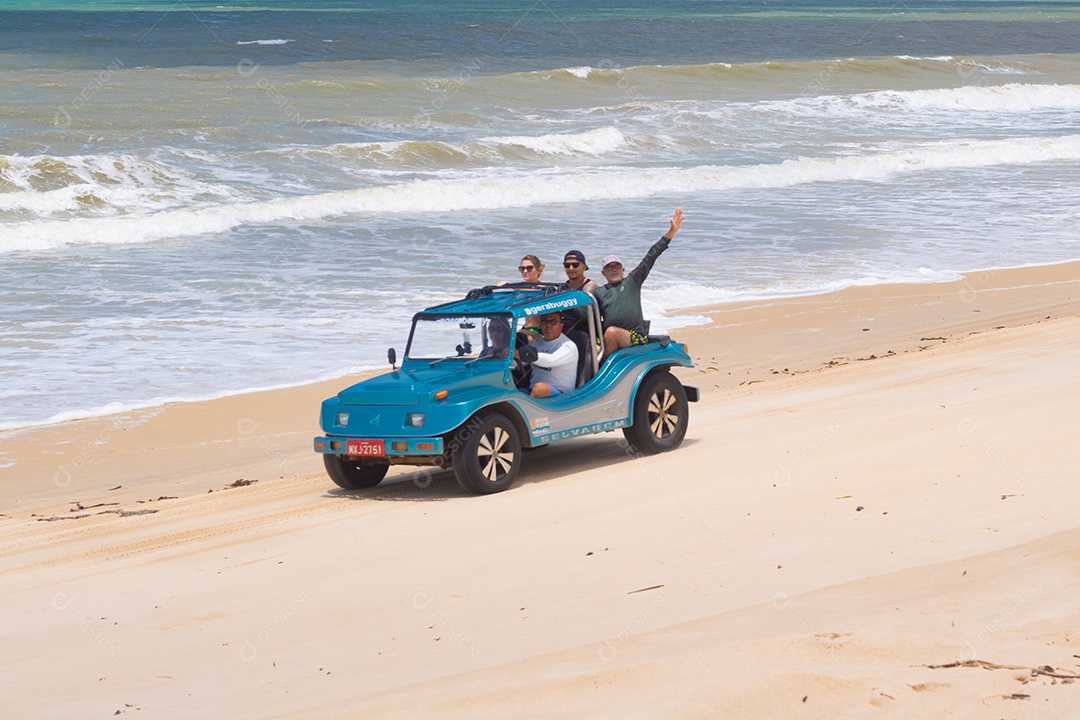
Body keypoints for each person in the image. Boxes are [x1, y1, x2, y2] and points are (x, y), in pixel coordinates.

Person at [594, 208, 683, 357]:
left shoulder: (632, 281)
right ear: (603, 273)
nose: (614, 270)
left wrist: (671, 233)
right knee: (585, 342)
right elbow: (585, 314)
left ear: (623, 269)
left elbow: (650, 257)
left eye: (616, 267)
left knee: (611, 332)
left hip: (635, 336)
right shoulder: (599, 292)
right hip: (607, 336)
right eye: (609, 268)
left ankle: (602, 371)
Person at [519, 312, 578, 398]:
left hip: (562, 396)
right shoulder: (536, 343)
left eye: (553, 322)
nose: (548, 325)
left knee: (539, 389)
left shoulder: (569, 346)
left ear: (561, 325)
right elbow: (520, 363)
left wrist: (521, 354)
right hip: (534, 391)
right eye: (545, 322)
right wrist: (508, 357)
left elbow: (551, 361)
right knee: (514, 393)